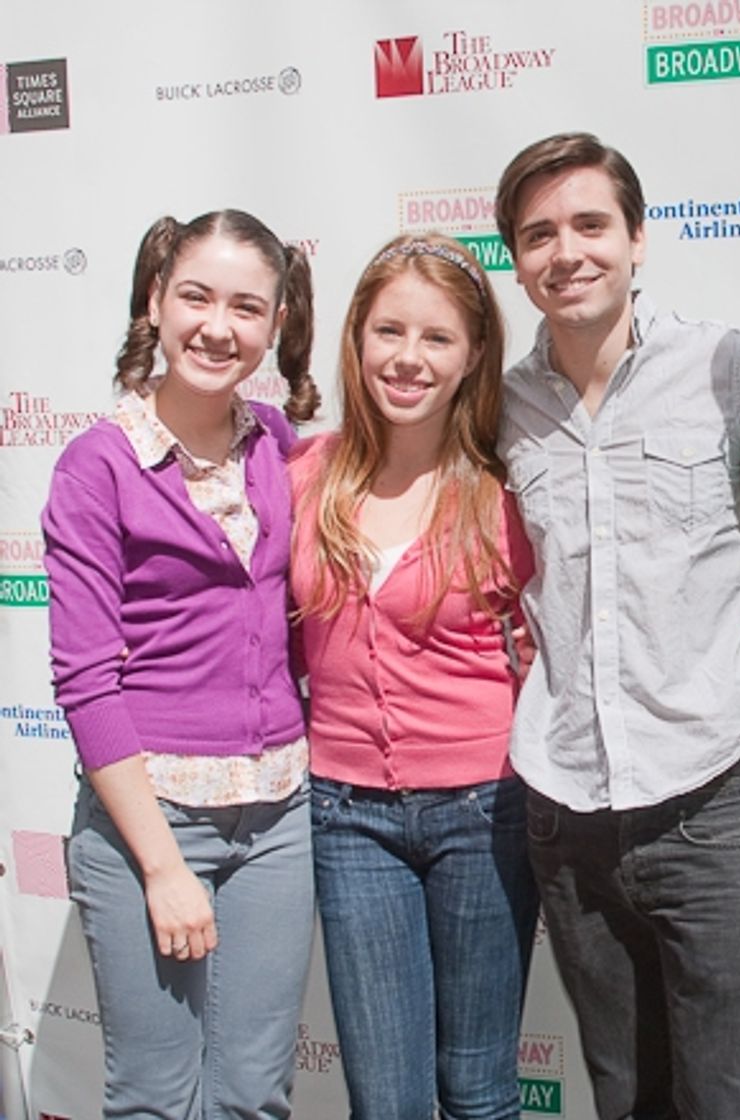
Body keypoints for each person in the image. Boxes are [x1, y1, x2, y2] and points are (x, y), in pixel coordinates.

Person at [492, 132, 740, 1120]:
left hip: (708, 796)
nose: (565, 252)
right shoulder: (497, 409)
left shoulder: (729, 367)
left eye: (588, 224)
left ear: (638, 238)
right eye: (538, 235)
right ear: (516, 259)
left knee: (735, 1098)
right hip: (564, 807)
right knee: (625, 1097)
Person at [44, 209, 319, 1119]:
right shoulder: (98, 465)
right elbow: (86, 680)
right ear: (155, 300)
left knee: (253, 1097)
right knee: (157, 1100)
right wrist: (163, 867)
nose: (217, 326)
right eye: (196, 296)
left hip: (279, 819)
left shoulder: (283, 448)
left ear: (276, 325)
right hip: (147, 825)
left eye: (247, 307)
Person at [288, 233, 538, 1120]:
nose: (407, 358)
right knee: (385, 1102)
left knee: (477, 1092)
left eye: (436, 338)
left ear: (474, 355)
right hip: (345, 814)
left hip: (485, 811)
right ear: (356, 338)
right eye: (388, 330)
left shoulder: (509, 487)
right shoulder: (303, 474)